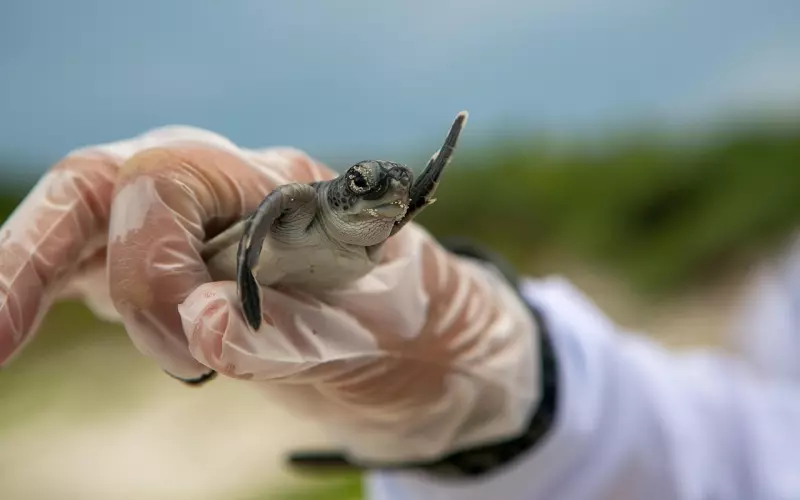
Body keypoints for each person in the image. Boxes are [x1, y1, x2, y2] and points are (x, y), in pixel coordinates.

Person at [0, 125, 797, 500]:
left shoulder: (392, 211)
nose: (383, 195)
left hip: (339, 278)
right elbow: (749, 450)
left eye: (396, 192)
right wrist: (527, 397)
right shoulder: (300, 202)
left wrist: (474, 362)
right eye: (364, 185)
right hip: (264, 264)